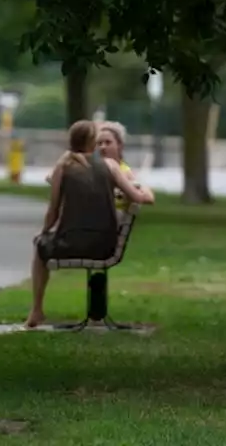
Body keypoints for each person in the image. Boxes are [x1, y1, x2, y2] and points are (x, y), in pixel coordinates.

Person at [25, 120, 154, 328]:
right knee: (44, 242)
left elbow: (53, 212)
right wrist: (145, 191)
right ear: (93, 143)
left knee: (40, 245)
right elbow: (137, 197)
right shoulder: (111, 166)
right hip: (105, 245)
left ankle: (37, 310)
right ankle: (40, 311)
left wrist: (44, 233)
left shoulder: (62, 167)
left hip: (69, 244)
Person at [96, 120, 140, 212]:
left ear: (119, 145)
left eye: (108, 142)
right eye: (99, 143)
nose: (103, 147)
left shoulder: (125, 173)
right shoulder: (94, 168)